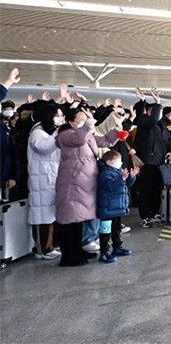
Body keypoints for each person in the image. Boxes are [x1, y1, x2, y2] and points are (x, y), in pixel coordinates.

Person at [54, 107, 121, 267]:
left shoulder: (86, 133)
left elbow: (104, 141)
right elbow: (79, 139)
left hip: (85, 182)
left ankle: (78, 250)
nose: (85, 121)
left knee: (78, 219)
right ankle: (68, 256)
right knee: (69, 218)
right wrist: (89, 123)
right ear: (70, 122)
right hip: (72, 181)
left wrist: (117, 129)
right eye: (81, 119)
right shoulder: (65, 136)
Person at [27, 102, 65, 259]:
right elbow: (43, 147)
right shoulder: (37, 132)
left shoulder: (47, 131)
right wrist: (58, 133)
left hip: (49, 178)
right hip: (40, 180)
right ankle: (43, 249)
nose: (59, 119)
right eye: (57, 116)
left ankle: (51, 245)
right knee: (43, 217)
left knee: (50, 215)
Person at [132, 91, 171, 228]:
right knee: (146, 190)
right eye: (157, 111)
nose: (159, 114)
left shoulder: (160, 126)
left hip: (159, 162)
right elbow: (150, 118)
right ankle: (145, 216)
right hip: (147, 162)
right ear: (150, 112)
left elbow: (167, 139)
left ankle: (155, 212)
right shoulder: (144, 122)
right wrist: (156, 103)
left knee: (157, 189)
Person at [96, 150, 138, 263]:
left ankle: (117, 247)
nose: (121, 163)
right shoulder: (105, 173)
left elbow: (124, 185)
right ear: (109, 162)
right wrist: (122, 178)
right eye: (118, 161)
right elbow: (111, 186)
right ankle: (104, 252)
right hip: (107, 209)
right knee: (105, 231)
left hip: (116, 208)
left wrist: (131, 177)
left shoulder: (118, 171)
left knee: (116, 229)